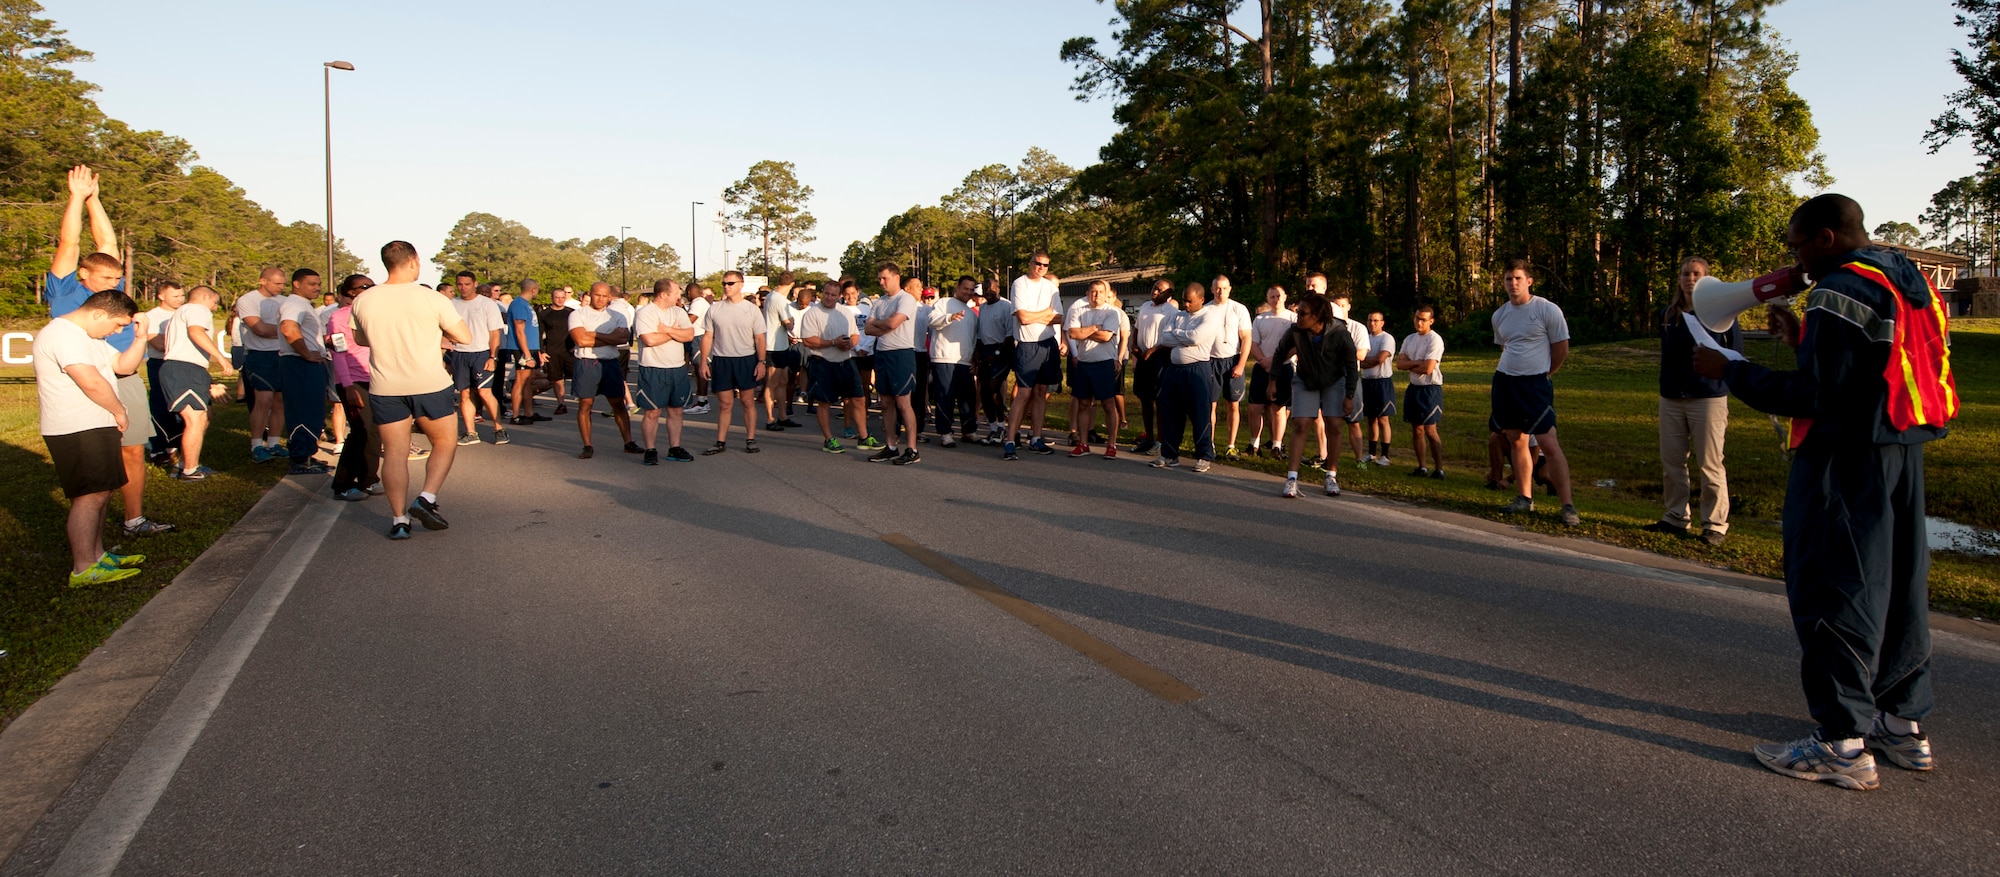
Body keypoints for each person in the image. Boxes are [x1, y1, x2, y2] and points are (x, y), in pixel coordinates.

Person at [1695, 194, 1957, 791]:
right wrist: (1802, 341)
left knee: (1834, 588)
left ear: (1826, 239)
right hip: (1900, 451)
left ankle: (1841, 743)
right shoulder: (1904, 278)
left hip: (1844, 460)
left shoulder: (1838, 289)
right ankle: (1901, 721)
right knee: (1897, 586)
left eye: (1796, 244)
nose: (1793, 258)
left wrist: (1729, 368)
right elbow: (1869, 369)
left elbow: (1817, 397)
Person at [44, 166, 171, 536]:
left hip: (124, 373)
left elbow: (109, 247)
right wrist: (75, 198)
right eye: (105, 279)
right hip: (86, 377)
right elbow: (69, 244)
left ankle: (134, 519)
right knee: (93, 460)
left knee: (132, 449)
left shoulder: (110, 286)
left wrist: (96, 200)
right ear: (84, 274)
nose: (113, 284)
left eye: (116, 279)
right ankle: (90, 529)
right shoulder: (67, 291)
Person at [345, 241, 471, 540]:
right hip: (429, 382)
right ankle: (426, 497)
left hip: (386, 385)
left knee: (396, 455)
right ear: (413, 261)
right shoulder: (432, 298)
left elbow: (360, 339)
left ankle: (399, 520)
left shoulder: (364, 300)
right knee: (444, 442)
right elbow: (463, 336)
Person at [35, 289, 148, 585]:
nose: (118, 330)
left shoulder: (91, 337)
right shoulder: (63, 335)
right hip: (76, 427)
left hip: (97, 424)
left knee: (103, 490)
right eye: (118, 324)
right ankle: (84, 568)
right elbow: (91, 381)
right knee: (88, 496)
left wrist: (141, 337)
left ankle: (97, 556)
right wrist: (120, 410)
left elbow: (124, 366)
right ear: (99, 314)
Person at [1652, 257, 1739, 546]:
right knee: (1672, 461)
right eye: (1685, 274)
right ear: (1679, 279)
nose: (1690, 279)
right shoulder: (1668, 315)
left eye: (1696, 274)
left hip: (1708, 397)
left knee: (1710, 464)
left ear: (1705, 279)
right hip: (1672, 397)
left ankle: (1715, 524)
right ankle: (1675, 517)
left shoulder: (1720, 314)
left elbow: (1734, 353)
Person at [1490, 260, 1580, 526]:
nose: (1513, 283)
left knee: (1549, 443)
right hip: (1506, 382)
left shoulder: (1546, 310)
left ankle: (1567, 506)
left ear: (1529, 281)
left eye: (1518, 278)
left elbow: (1561, 348)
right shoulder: (1500, 315)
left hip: (1535, 385)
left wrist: (1545, 374)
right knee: (1516, 439)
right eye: (1508, 279)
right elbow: (1505, 347)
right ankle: (1524, 498)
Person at [1271, 293, 1360, 498]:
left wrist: (1349, 395)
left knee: (1334, 425)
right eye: (1298, 312)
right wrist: (1273, 381)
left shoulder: (1339, 333)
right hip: (1305, 379)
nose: (1298, 317)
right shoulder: (1295, 331)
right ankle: (1292, 478)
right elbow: (1279, 352)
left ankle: (1331, 475)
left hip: (1335, 380)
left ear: (1318, 316)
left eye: (1303, 313)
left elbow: (1351, 366)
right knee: (1301, 423)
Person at [157, 285, 233, 482]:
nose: (215, 308)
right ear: (205, 296)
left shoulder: (183, 311)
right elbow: (196, 332)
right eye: (215, 303)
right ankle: (189, 471)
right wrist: (221, 357)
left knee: (205, 415)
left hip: (191, 368)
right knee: (195, 418)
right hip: (183, 368)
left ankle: (186, 464)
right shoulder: (197, 309)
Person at [1151, 282, 1223, 472]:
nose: (1186, 305)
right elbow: (1164, 338)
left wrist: (1177, 335)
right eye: (1184, 300)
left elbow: (1196, 338)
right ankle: (1169, 453)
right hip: (1174, 369)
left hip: (1197, 369)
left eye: (1190, 301)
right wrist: (1182, 335)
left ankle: (1203, 455)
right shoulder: (1178, 316)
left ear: (1201, 299)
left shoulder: (1210, 316)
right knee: (1170, 411)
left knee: (1199, 413)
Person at [1000, 253, 1063, 460]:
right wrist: (1045, 313)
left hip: (1048, 344)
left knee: (1042, 391)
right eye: (1038, 263)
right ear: (1030, 263)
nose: (1041, 267)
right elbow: (1023, 318)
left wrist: (1041, 314)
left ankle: (1036, 438)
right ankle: (1010, 440)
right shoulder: (1020, 284)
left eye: (1045, 265)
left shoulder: (1051, 288)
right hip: (1027, 344)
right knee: (1024, 393)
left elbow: (1059, 317)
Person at [325, 274, 382, 499]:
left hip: (377, 378)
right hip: (352, 380)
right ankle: (343, 484)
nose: (368, 289)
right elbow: (338, 353)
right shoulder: (338, 318)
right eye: (363, 287)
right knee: (361, 430)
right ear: (351, 292)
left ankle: (368, 479)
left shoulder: (377, 314)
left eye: (371, 286)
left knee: (375, 432)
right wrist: (347, 387)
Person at [699, 271, 767, 455]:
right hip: (722, 360)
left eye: (730, 283)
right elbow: (708, 336)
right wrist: (703, 362)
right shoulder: (715, 308)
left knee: (747, 401)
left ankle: (750, 439)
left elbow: (760, 338)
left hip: (746, 359)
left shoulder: (751, 309)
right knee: (725, 403)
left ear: (740, 284)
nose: (726, 287)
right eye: (724, 284)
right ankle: (720, 441)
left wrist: (761, 362)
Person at [568, 282, 639, 458]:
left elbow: (623, 338)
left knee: (618, 404)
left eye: (604, 296)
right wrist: (609, 338)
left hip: (610, 362)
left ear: (610, 297)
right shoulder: (577, 314)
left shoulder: (616, 315)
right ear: (590, 294)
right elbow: (581, 340)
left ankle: (628, 442)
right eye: (597, 295)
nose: (600, 299)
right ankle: (587, 445)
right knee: (586, 404)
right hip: (586, 362)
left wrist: (594, 334)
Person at [799, 280, 871, 454]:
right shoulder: (812, 313)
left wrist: (850, 344)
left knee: (859, 397)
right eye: (826, 294)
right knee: (824, 402)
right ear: (822, 293)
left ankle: (864, 437)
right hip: (822, 362)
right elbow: (808, 340)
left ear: (839, 296)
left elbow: (854, 334)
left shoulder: (845, 312)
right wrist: (832, 343)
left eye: (833, 295)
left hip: (845, 361)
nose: (829, 298)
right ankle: (828, 439)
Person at [863, 264, 922, 465]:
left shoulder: (905, 299)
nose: (881, 282)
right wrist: (883, 324)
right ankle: (891, 446)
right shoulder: (878, 302)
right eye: (879, 278)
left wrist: (881, 323)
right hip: (882, 353)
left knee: (903, 402)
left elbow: (891, 324)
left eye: (884, 278)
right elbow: (868, 329)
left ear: (896, 277)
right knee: (886, 402)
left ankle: (912, 448)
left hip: (901, 354)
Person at [633, 279, 696, 464]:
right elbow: (649, 339)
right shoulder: (646, 313)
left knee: (676, 410)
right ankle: (650, 450)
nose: (680, 295)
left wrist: (666, 330)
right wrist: (675, 333)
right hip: (653, 368)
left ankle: (674, 448)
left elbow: (689, 335)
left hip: (677, 368)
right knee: (652, 412)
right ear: (663, 294)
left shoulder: (678, 311)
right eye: (676, 292)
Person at [275, 268, 331, 473]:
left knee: (314, 410)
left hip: (307, 363)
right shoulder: (293, 304)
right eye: (311, 284)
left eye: (318, 284)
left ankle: (307, 453)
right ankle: (299, 459)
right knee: (302, 410)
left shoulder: (303, 305)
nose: (317, 288)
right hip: (298, 363)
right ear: (296, 284)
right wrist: (306, 354)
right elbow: (289, 329)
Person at [1066, 280, 1124, 459]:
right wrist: (1092, 329)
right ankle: (1083, 443)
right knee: (1084, 404)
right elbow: (1073, 333)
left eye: (1100, 291)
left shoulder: (1112, 312)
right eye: (1093, 291)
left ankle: (1111, 444)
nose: (1096, 295)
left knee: (1108, 404)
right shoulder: (1078, 310)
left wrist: (1084, 331)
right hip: (1084, 363)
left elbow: (1107, 336)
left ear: (1107, 294)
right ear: (1087, 292)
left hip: (1103, 363)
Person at [446, 272, 506, 446]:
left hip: (481, 353)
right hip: (459, 353)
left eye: (467, 284)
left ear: (474, 284)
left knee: (484, 392)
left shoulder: (486, 304)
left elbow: (495, 332)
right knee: (464, 394)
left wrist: (492, 357)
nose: (463, 287)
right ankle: (471, 432)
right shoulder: (452, 304)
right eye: (460, 284)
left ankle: (499, 428)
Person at [238, 266, 288, 462]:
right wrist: (288, 330)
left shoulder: (285, 301)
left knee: (280, 401)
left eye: (283, 283)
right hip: (260, 355)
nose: (280, 287)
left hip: (282, 354)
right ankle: (257, 445)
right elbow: (259, 328)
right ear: (262, 281)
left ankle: (274, 443)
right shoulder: (248, 300)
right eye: (276, 283)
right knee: (263, 400)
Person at [927, 276, 980, 447]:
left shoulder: (972, 314)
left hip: (964, 361)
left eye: (972, 290)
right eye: (965, 288)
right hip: (943, 358)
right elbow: (932, 321)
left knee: (967, 399)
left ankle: (968, 430)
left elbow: (973, 338)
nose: (968, 292)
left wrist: (973, 358)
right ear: (957, 287)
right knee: (945, 397)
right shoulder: (943, 303)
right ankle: (945, 432)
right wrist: (950, 317)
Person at [1395, 306, 1446, 478]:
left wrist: (1412, 363)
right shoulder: (1410, 339)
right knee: (1417, 428)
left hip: (1430, 389)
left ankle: (1439, 468)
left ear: (1431, 321)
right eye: (1417, 318)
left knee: (1430, 430)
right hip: (1414, 388)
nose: (1419, 322)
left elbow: (1428, 368)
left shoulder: (1435, 340)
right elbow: (1399, 364)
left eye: (1423, 319)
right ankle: (1422, 466)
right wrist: (1418, 363)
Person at [1129, 278, 1178, 455]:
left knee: (1160, 400)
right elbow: (1137, 328)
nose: (1155, 292)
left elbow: (1172, 338)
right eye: (1154, 288)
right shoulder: (1145, 307)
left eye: (1160, 290)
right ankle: (1148, 437)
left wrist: (1154, 350)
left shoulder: (1171, 311)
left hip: (1160, 359)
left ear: (1169, 294)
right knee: (1145, 398)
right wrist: (1134, 345)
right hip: (1143, 357)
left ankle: (1161, 441)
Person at [141, 282, 187, 468]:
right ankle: (157, 448)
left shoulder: (184, 313)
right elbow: (158, 344)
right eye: (175, 296)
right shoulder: (152, 316)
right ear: (161, 296)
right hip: (161, 363)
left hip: (183, 364)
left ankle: (176, 444)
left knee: (181, 406)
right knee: (161, 406)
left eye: (182, 295)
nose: (180, 300)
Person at [1207, 275, 1253, 458]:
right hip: (1211, 361)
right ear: (1212, 289)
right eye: (1217, 288)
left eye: (1224, 288)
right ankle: (1209, 444)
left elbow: (1246, 338)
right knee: (1210, 405)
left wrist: (1241, 364)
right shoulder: (1205, 310)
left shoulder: (1239, 309)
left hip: (1233, 360)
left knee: (1233, 405)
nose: (1221, 292)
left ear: (1230, 289)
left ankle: (1231, 445)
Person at [1246, 284, 1294, 458]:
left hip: (1283, 367)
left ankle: (1276, 446)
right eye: (1272, 296)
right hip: (1262, 367)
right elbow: (1253, 343)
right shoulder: (1260, 319)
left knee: (1278, 408)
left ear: (1285, 297)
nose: (1276, 299)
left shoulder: (1293, 319)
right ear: (1268, 299)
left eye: (1279, 296)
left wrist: (1275, 361)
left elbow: (1295, 346)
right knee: (1254, 407)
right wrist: (1262, 360)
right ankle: (1254, 445)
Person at [973, 278, 1017, 444]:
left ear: (998, 288)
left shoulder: (1006, 306)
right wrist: (977, 353)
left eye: (990, 289)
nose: (987, 293)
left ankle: (1001, 425)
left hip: (1002, 351)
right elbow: (979, 333)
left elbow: (1009, 335)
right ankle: (992, 428)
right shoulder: (983, 308)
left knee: (993, 387)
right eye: (984, 290)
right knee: (984, 391)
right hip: (985, 350)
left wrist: (996, 353)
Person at [761, 271, 803, 432]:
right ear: (792, 285)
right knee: (772, 383)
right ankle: (770, 418)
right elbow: (789, 324)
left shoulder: (772, 296)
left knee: (783, 380)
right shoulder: (779, 300)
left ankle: (782, 416)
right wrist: (790, 322)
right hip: (773, 346)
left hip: (781, 345)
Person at [506, 279, 550, 425]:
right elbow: (519, 331)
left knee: (528, 382)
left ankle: (529, 413)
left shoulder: (526, 304)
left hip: (531, 347)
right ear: (533, 289)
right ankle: (516, 415)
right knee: (520, 381)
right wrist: (526, 354)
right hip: (523, 349)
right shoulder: (518, 304)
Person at [1360, 311, 1397, 466]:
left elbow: (1380, 359)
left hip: (1382, 382)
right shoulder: (1365, 338)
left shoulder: (1387, 338)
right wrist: (1368, 361)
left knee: (1383, 419)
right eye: (1370, 320)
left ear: (1382, 322)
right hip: (1367, 381)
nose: (1372, 323)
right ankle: (1371, 452)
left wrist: (1366, 361)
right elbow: (1357, 360)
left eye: (1376, 320)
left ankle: (1385, 455)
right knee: (1370, 419)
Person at [538, 285, 576, 415]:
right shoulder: (544, 314)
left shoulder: (571, 312)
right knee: (557, 379)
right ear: (552, 298)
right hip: (552, 350)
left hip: (570, 350)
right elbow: (539, 333)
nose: (560, 300)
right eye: (557, 297)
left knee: (578, 376)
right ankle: (561, 403)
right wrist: (541, 351)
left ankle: (584, 403)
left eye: (562, 297)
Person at [684, 284, 712, 414]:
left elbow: (690, 319)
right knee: (698, 369)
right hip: (697, 337)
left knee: (701, 369)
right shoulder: (700, 302)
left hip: (699, 337)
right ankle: (702, 400)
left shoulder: (698, 303)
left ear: (689, 292)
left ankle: (702, 402)